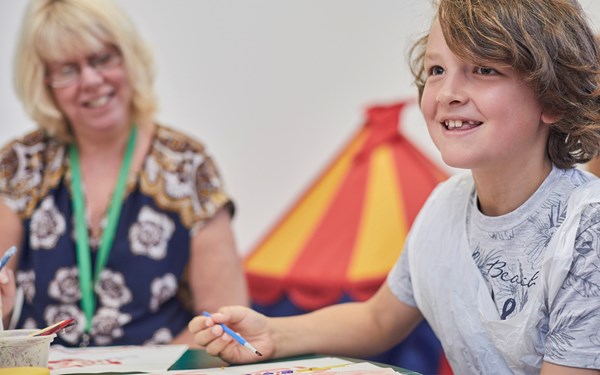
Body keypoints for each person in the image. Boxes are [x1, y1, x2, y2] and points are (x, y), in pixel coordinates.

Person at [188, 0, 600, 373]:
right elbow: (379, 320)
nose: (448, 93)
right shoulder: (445, 205)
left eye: (484, 69)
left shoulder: (588, 231)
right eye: (437, 70)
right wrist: (272, 335)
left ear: (553, 100)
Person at [0, 0, 248, 347]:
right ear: (44, 82)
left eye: (102, 59)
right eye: (67, 70)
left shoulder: (187, 164)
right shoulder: (20, 163)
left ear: (129, 58)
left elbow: (224, 317)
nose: (91, 80)